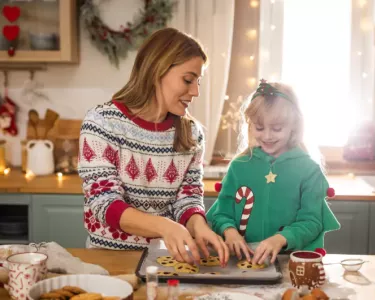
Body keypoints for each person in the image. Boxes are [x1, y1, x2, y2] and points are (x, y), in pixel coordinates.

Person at [78, 27, 229, 266]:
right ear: (157, 70)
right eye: (188, 80)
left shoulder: (192, 134)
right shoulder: (102, 122)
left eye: (198, 82)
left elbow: (188, 198)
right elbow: (104, 202)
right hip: (109, 259)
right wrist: (165, 227)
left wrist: (199, 226)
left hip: (166, 259)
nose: (196, 91)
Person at [206, 80, 340, 265]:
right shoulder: (239, 166)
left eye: (276, 129)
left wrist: (281, 238)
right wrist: (229, 231)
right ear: (250, 125)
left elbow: (312, 221)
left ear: (294, 126)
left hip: (290, 262)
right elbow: (221, 213)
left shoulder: (309, 170)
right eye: (259, 128)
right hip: (242, 262)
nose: (267, 136)